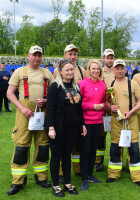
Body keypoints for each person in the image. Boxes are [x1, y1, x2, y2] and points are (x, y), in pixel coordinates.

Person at [6, 45, 55, 195]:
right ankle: (18, 181)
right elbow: (9, 93)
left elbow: (55, 95)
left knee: (43, 146)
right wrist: (22, 108)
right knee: (21, 146)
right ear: (28, 56)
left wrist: (46, 101)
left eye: (39, 55)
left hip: (42, 114)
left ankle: (41, 178)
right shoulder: (20, 72)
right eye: (34, 55)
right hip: (24, 113)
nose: (37, 58)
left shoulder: (47, 73)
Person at [46, 59, 86, 197]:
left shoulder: (76, 87)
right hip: (57, 128)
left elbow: (79, 109)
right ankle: (56, 185)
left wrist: (82, 124)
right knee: (56, 156)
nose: (70, 72)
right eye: (67, 70)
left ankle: (68, 183)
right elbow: (50, 109)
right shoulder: (55, 87)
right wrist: (51, 127)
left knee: (67, 156)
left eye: (71, 69)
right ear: (61, 72)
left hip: (71, 128)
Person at [106, 59, 140, 187]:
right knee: (115, 148)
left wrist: (131, 111)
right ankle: (113, 174)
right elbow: (106, 101)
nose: (119, 70)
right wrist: (109, 107)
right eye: (117, 68)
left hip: (131, 120)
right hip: (116, 121)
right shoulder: (110, 84)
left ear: (125, 69)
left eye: (121, 68)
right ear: (113, 70)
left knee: (134, 147)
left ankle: (138, 177)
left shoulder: (132, 83)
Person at [53, 44, 86, 182]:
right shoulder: (57, 71)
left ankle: (77, 169)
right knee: (62, 147)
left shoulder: (83, 70)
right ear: (65, 55)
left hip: (77, 110)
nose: (73, 56)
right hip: (62, 115)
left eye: (75, 54)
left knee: (76, 144)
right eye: (70, 54)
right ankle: (60, 173)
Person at [78, 60, 106, 190]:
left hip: (98, 122)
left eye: (98, 69)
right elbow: (78, 104)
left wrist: (103, 106)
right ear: (89, 69)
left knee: (93, 150)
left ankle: (90, 175)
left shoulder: (103, 85)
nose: (96, 71)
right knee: (85, 150)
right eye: (93, 68)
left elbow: (105, 102)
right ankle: (84, 178)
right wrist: (93, 106)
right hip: (86, 122)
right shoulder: (82, 84)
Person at [94, 49, 115, 172]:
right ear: (103, 59)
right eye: (107, 57)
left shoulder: (117, 70)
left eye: (111, 58)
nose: (109, 60)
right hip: (101, 109)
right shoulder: (99, 73)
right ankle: (98, 161)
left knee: (115, 136)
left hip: (114, 109)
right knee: (100, 137)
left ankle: (114, 159)